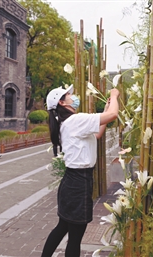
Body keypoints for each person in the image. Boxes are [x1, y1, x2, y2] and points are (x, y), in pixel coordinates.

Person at [41, 85, 119, 257]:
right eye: (68, 95)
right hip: (78, 183)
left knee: (62, 227)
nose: (72, 96)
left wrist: (106, 108)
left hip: (72, 182)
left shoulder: (68, 123)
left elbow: (97, 134)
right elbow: (113, 115)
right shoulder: (76, 121)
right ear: (62, 102)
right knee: (75, 237)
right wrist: (114, 95)